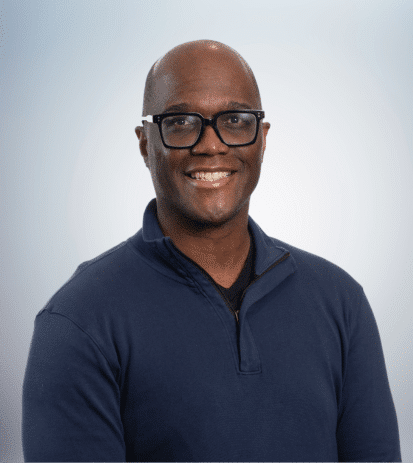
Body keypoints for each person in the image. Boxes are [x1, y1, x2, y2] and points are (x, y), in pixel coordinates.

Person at [22, 40, 402, 462]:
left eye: (236, 120)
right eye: (181, 121)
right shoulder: (79, 320)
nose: (211, 145)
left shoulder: (341, 303)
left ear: (262, 139)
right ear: (145, 143)